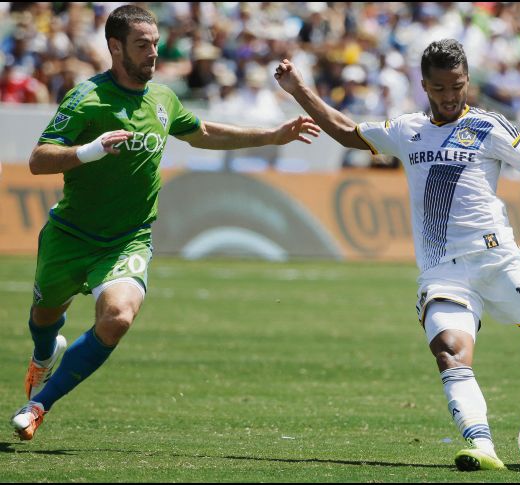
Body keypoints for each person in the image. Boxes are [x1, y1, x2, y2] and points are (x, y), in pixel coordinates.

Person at [274, 39, 520, 471]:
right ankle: (482, 446)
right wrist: (298, 89)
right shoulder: (407, 129)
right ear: (424, 86)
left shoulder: (492, 128)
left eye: (457, 86)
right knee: (450, 350)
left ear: (467, 80)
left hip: (498, 260)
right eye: (439, 88)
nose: (449, 97)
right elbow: (345, 132)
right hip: (442, 272)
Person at [10, 4, 320, 441]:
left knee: (117, 317)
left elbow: (204, 133)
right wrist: (89, 151)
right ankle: (44, 354)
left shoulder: (163, 98)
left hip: (126, 240)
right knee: (44, 320)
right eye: (142, 45)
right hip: (70, 236)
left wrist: (270, 135)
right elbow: (39, 160)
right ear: (115, 48)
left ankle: (39, 404)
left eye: (155, 44)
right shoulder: (87, 98)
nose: (153, 53)